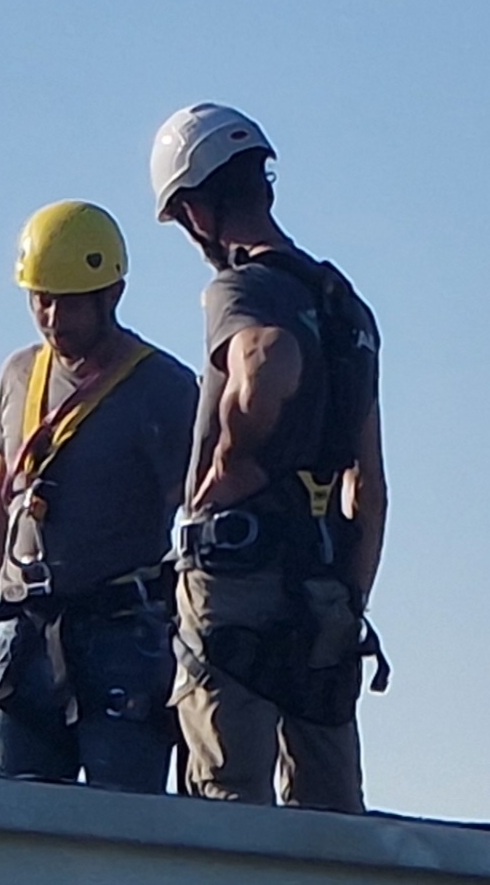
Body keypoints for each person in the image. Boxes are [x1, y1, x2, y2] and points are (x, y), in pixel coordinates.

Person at [150, 102, 389, 812]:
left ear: (196, 207)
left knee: (229, 806)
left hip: (237, 580)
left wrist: (234, 458)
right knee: (330, 817)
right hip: (324, 586)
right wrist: (349, 599)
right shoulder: (348, 310)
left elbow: (267, 357)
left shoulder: (242, 287)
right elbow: (369, 486)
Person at [0, 200, 197, 792]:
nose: (51, 317)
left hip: (122, 641)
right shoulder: (18, 375)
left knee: (122, 836)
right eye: (40, 299)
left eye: (68, 300)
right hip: (23, 638)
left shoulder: (165, 389)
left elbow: (200, 512)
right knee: (16, 834)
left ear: (112, 294)